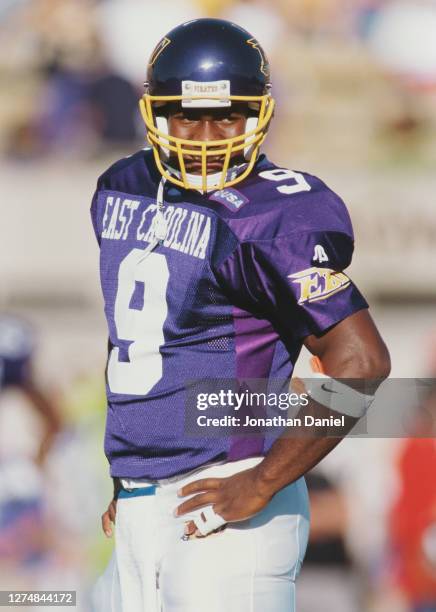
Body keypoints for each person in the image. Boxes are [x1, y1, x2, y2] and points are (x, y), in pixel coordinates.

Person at [90, 18, 390, 612]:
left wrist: (263, 481)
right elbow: (146, 342)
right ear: (154, 112)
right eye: (186, 115)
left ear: (257, 115)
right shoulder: (120, 187)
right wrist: (131, 466)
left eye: (226, 115)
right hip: (138, 505)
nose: (205, 136)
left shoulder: (278, 213)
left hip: (229, 499)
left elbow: (362, 361)